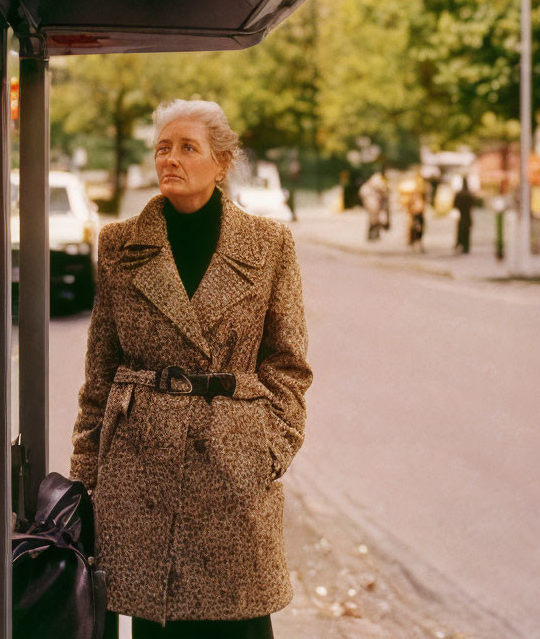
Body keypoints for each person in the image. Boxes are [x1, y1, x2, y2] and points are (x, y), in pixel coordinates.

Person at [70, 99, 313, 639]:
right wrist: (88, 472)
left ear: (221, 162)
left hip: (233, 466)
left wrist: (268, 448)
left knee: (239, 623)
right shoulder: (119, 245)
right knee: (156, 623)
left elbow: (288, 363)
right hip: (140, 468)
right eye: (162, 147)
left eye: (187, 147)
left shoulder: (270, 245)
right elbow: (100, 371)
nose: (171, 159)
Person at [359, 171, 389, 241]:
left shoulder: (376, 180)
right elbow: (381, 187)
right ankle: (373, 235)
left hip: (373, 201)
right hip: (371, 201)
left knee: (374, 218)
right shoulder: (376, 179)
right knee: (373, 218)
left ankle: (374, 235)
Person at [453, 179, 475, 253]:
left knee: (461, 231)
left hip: (461, 216)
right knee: (467, 232)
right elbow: (473, 204)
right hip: (467, 215)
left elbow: (455, 205)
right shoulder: (469, 195)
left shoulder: (459, 194)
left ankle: (460, 244)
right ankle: (466, 247)